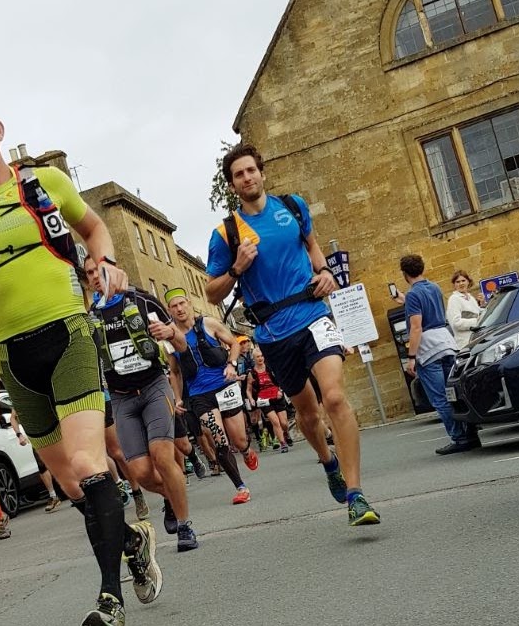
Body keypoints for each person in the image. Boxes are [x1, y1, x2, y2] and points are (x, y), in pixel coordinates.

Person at [0, 92, 160, 626]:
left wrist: (105, 262)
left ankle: (110, 600)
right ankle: (131, 540)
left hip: (69, 333)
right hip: (14, 355)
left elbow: (95, 229)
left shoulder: (46, 183)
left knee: (88, 464)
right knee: (73, 484)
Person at [205, 143, 380, 526]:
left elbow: (313, 247)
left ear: (262, 173)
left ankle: (356, 494)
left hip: (313, 314)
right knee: (307, 413)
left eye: (251, 170)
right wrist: (236, 269)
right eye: (239, 174)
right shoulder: (226, 234)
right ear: (232, 185)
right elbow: (212, 292)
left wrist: (326, 272)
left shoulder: (292, 206)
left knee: (334, 397)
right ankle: (328, 462)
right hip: (273, 333)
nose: (247, 177)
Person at [85, 257, 197, 551]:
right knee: (141, 473)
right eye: (89, 273)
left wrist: (170, 333)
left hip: (153, 388)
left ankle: (185, 526)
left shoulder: (142, 301)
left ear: (114, 270)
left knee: (162, 455)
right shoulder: (90, 316)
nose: (95, 277)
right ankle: (171, 497)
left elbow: (182, 344)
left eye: (99, 270)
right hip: (121, 398)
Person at [156, 288, 257, 505]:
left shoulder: (208, 324)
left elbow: (234, 344)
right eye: (174, 306)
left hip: (224, 385)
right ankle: (241, 487)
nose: (179, 309)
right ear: (169, 311)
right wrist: (178, 398)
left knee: (239, 439)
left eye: (182, 303)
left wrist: (231, 365)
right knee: (219, 439)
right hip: (199, 394)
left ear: (189, 304)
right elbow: (175, 372)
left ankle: (246, 450)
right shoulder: (170, 340)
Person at [396, 255, 481, 455]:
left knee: (440, 398)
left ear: (405, 273)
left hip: (428, 348)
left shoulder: (413, 294)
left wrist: (411, 357)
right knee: (454, 393)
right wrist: (405, 301)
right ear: (422, 268)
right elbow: (430, 310)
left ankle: (459, 438)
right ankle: (471, 433)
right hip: (446, 342)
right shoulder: (434, 287)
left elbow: (416, 327)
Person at [246, 351, 290, 453]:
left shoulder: (270, 367)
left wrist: (280, 390)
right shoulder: (252, 373)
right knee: (275, 421)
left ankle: (286, 433)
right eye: (258, 357)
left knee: (284, 423)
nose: (260, 358)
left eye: (262, 356)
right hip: (264, 400)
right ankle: (283, 443)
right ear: (254, 359)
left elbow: (281, 379)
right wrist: (251, 399)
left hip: (277, 396)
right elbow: (248, 390)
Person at [446, 270, 485, 350]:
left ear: (468, 282)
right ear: (454, 285)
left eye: (463, 280)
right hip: (465, 344)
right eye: (458, 282)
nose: (461, 283)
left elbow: (479, 314)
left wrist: (483, 304)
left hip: (477, 340)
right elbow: (456, 323)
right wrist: (478, 321)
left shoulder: (471, 298)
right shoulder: (454, 299)